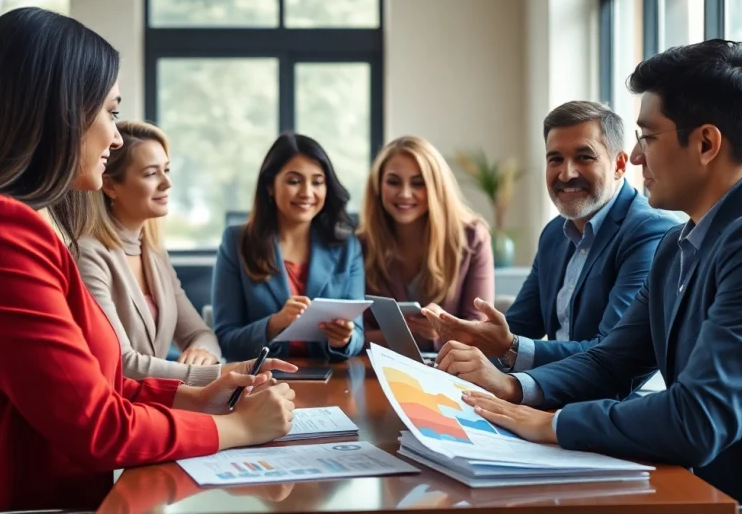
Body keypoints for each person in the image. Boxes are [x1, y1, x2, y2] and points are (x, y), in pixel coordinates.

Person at [0, 7, 298, 514]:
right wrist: (238, 428)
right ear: (57, 113)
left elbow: (94, 388)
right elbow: (97, 427)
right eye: (110, 112)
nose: (116, 137)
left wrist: (194, 398)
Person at [452, 40, 742, 511]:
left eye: (648, 137)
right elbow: (612, 362)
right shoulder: (681, 243)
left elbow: (699, 418)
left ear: (706, 144)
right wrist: (515, 389)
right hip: (704, 489)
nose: (636, 157)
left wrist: (551, 424)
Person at [426, 101, 675, 392]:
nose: (566, 174)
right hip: (551, 395)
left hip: (611, 404)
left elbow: (608, 353)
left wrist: (509, 349)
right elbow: (518, 326)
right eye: (555, 159)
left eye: (584, 157)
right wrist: (465, 343)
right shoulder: (554, 234)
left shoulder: (649, 231)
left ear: (619, 165)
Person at [76, 120, 224, 386]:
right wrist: (211, 374)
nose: (167, 183)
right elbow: (122, 362)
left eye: (166, 170)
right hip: (118, 404)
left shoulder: (154, 252)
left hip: (158, 400)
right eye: (151, 174)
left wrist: (204, 354)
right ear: (110, 186)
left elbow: (200, 334)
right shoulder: (88, 254)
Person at [213, 132, 366, 361]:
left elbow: (358, 334)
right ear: (270, 186)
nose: (307, 193)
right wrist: (275, 324)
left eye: (317, 182)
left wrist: (344, 340)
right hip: (263, 376)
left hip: (330, 375)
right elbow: (226, 341)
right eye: (294, 181)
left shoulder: (346, 246)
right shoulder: (236, 241)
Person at [357, 135, 494, 351]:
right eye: (393, 182)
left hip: (451, 367)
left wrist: (442, 331)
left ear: (437, 187)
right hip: (374, 367)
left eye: (418, 183)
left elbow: (479, 332)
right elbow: (353, 336)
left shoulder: (472, 237)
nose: (405, 194)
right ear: (377, 186)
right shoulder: (361, 245)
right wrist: (413, 332)